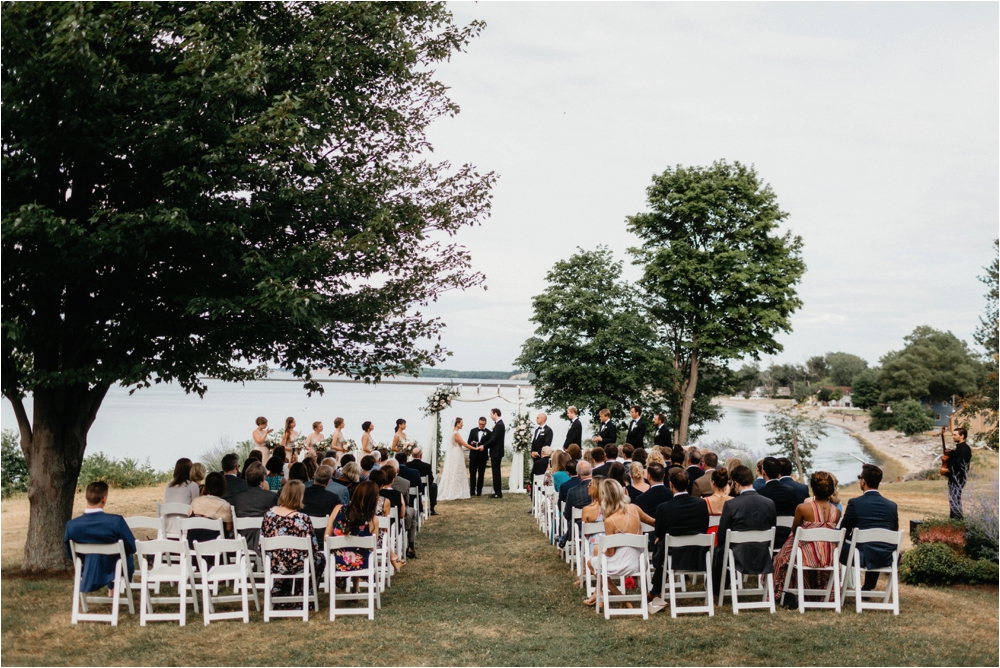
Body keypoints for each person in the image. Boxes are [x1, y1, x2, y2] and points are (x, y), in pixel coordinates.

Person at [773, 471, 841, 603]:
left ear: (813, 489)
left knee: (785, 552)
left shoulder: (802, 508)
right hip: (828, 557)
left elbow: (794, 530)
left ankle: (782, 589)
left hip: (805, 556)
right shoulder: (836, 512)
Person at [712, 465, 777, 594]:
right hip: (762, 553)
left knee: (718, 550)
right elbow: (772, 528)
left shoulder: (731, 504)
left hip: (738, 556)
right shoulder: (769, 503)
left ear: (736, 483)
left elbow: (723, 535)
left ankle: (716, 589)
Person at [64, 481, 137, 594]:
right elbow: (132, 547)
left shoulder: (72, 526)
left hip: (89, 569)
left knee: (98, 557)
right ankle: (112, 590)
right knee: (119, 556)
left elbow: (71, 555)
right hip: (116, 569)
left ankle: (110, 591)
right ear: (104, 499)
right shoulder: (116, 522)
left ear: (86, 497)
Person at [649, 468, 709, 600]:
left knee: (659, 543)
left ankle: (655, 589)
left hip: (674, 555)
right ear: (688, 482)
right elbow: (704, 527)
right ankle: (655, 589)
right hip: (698, 552)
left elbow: (659, 532)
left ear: (670, 484)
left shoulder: (664, 508)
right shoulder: (701, 504)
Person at [261, 480, 325, 602]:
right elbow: (313, 546)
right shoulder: (302, 519)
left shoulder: (268, 516)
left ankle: (281, 589)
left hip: (274, 563)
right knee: (320, 559)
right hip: (297, 564)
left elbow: (261, 542)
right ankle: (305, 594)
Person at [584, 480, 643, 610]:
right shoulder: (634, 508)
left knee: (592, 562)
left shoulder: (610, 521)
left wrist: (602, 551)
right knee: (597, 554)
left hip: (621, 564)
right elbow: (653, 521)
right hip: (638, 562)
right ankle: (616, 597)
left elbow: (611, 553)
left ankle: (621, 597)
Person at [840, 464, 899, 591]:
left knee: (840, 543)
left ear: (863, 481)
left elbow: (843, 531)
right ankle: (868, 586)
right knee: (877, 544)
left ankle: (829, 584)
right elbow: (894, 532)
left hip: (860, 557)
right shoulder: (891, 506)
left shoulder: (855, 503)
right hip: (886, 556)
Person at [324, 481, 380, 576]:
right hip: (362, 563)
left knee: (354, 551)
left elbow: (326, 537)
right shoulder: (372, 519)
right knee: (360, 552)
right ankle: (356, 587)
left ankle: (355, 587)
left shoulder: (338, 509)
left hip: (338, 561)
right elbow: (372, 546)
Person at [368, 469, 406, 570]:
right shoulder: (383, 501)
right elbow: (385, 528)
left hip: (357, 536)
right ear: (382, 485)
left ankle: (393, 556)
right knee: (383, 533)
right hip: (375, 540)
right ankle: (393, 556)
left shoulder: (359, 499)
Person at [758, 457, 798, 547]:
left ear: (763, 473)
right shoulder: (790, 491)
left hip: (767, 539)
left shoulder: (760, 493)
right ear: (779, 473)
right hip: (787, 536)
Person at [438, 417, 474, 502]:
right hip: (456, 453)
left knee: (455, 471)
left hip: (455, 452)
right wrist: (474, 448)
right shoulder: (456, 433)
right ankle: (455, 491)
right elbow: (464, 444)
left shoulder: (453, 432)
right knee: (456, 470)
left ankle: (456, 489)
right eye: (461, 423)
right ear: (457, 423)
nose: (463, 424)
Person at [163, 458, 200, 536]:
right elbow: (196, 508)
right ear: (190, 470)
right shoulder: (193, 485)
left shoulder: (169, 485)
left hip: (167, 527)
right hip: (184, 527)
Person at [944, 427, 972, 518]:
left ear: (962, 436)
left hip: (959, 478)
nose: (953, 437)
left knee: (955, 500)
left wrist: (946, 470)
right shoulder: (958, 449)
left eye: (955, 435)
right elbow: (954, 462)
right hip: (954, 477)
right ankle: (954, 522)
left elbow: (958, 466)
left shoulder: (965, 449)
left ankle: (957, 522)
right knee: (953, 501)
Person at [478, 408, 506, 498]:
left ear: (495, 414)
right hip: (496, 451)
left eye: (491, 414)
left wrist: (484, 446)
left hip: (496, 452)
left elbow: (494, 439)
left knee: (496, 472)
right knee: (495, 472)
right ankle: (497, 491)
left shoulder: (499, 425)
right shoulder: (498, 424)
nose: (490, 416)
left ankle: (497, 493)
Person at [408, 447, 438, 516]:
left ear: (412, 455)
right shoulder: (427, 466)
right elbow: (430, 480)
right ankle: (432, 508)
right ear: (421, 455)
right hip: (424, 489)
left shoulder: (407, 465)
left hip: (411, 488)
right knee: (434, 485)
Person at [704, 468, 731, 545]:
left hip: (709, 538)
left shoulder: (705, 501)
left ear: (713, 482)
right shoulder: (733, 500)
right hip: (727, 537)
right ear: (726, 483)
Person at [467, 416, 490, 497]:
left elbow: (489, 444)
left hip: (483, 456)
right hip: (473, 455)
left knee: (481, 474)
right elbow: (468, 442)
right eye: (480, 424)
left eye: (483, 425)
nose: (481, 426)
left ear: (485, 424)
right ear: (478, 422)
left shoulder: (488, 432)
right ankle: (472, 491)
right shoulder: (472, 431)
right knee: (472, 474)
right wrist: (472, 443)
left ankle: (479, 491)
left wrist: (483, 446)